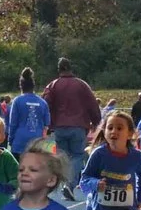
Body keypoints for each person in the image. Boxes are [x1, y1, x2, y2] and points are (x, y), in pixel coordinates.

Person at [41, 57, 101, 187]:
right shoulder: (82, 85)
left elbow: (45, 104)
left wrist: (47, 124)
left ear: (59, 69)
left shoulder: (53, 85)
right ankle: (69, 184)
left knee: (63, 157)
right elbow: (92, 104)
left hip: (59, 127)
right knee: (78, 155)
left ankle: (65, 183)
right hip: (78, 126)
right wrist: (96, 121)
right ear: (71, 68)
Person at [5, 67, 49, 158]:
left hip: (19, 143)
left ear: (21, 86)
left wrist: (10, 140)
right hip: (38, 143)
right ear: (33, 87)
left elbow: (13, 124)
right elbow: (47, 125)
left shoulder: (17, 101)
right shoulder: (43, 102)